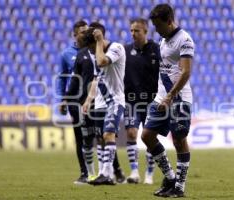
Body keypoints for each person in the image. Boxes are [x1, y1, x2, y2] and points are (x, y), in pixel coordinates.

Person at [141, 4, 195, 198]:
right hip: (161, 97)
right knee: (147, 135)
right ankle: (170, 178)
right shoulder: (164, 40)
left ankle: (179, 187)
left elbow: (186, 71)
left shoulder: (185, 40)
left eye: (158, 25)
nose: (156, 29)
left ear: (169, 21)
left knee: (179, 140)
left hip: (178, 98)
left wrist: (170, 96)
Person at [67, 22, 126, 184]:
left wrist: (99, 42)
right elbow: (96, 78)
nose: (91, 52)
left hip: (115, 100)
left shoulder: (117, 48)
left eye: (91, 47)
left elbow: (101, 62)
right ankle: (103, 173)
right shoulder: (95, 53)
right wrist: (88, 100)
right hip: (100, 102)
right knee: (100, 138)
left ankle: (108, 175)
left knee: (108, 134)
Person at [124, 18, 160, 184]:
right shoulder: (124, 50)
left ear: (145, 31)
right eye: (131, 30)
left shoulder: (156, 49)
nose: (133, 34)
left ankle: (150, 174)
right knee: (131, 133)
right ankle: (134, 172)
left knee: (149, 137)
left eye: (136, 30)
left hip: (152, 102)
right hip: (131, 101)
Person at [56, 20, 89, 184]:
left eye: (87, 30)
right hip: (75, 100)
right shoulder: (66, 54)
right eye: (82, 31)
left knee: (102, 134)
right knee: (80, 137)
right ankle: (85, 172)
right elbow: (62, 78)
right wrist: (62, 99)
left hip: (94, 98)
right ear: (75, 35)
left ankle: (112, 171)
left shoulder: (94, 49)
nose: (86, 33)